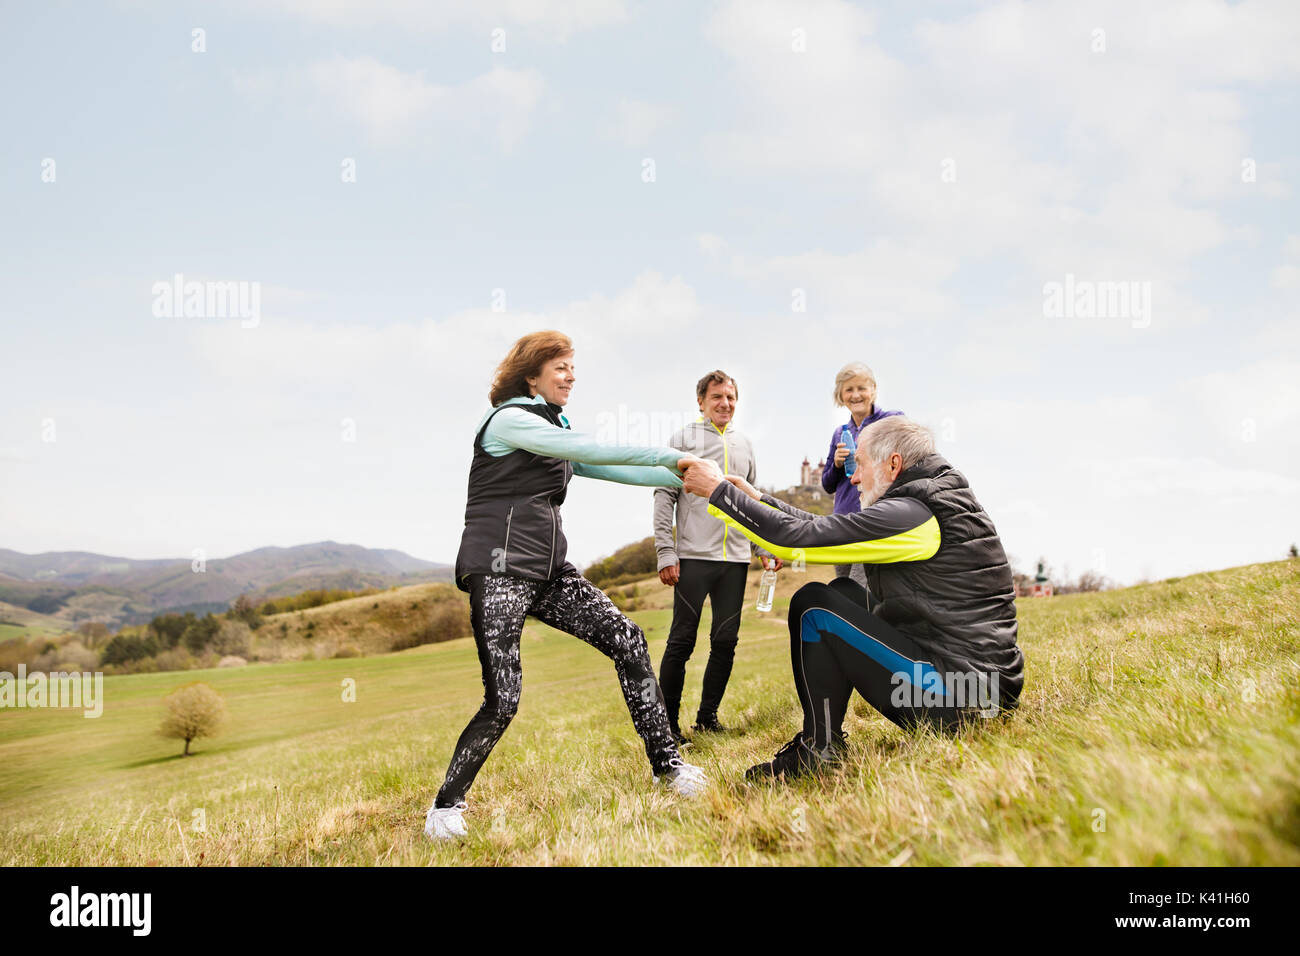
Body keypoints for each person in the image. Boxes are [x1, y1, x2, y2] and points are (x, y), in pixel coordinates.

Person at [426, 330, 710, 841]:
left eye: (573, 367)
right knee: (504, 698)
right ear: (531, 376)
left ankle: (668, 766)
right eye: (561, 367)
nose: (571, 376)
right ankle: (445, 808)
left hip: (549, 570)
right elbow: (586, 446)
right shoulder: (509, 421)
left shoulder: (553, 425)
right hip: (500, 570)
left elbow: (598, 465)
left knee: (627, 638)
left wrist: (681, 478)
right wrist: (672, 455)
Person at [681, 415, 1023, 782]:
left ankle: (819, 751)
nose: (854, 478)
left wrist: (718, 492)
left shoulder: (914, 515)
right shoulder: (927, 503)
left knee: (814, 606)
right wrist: (758, 499)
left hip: (964, 699)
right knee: (843, 592)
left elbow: (796, 540)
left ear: (893, 464)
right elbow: (823, 530)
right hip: (981, 689)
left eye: (859, 464)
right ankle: (824, 742)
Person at [653, 370, 781, 742]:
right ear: (701, 402)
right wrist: (665, 551)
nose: (725, 404)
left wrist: (763, 547)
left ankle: (707, 719)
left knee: (725, 641)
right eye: (717, 397)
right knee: (681, 641)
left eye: (730, 397)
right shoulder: (683, 440)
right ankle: (667, 727)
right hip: (693, 557)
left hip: (735, 561)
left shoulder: (745, 445)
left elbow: (751, 500)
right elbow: (664, 495)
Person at [821, 363, 902, 590]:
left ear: (873, 389)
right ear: (840, 395)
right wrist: (837, 464)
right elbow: (827, 485)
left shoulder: (892, 420)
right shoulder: (840, 432)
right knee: (842, 589)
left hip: (873, 519)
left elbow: (905, 461)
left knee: (860, 588)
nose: (855, 395)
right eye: (849, 389)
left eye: (861, 388)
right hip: (842, 521)